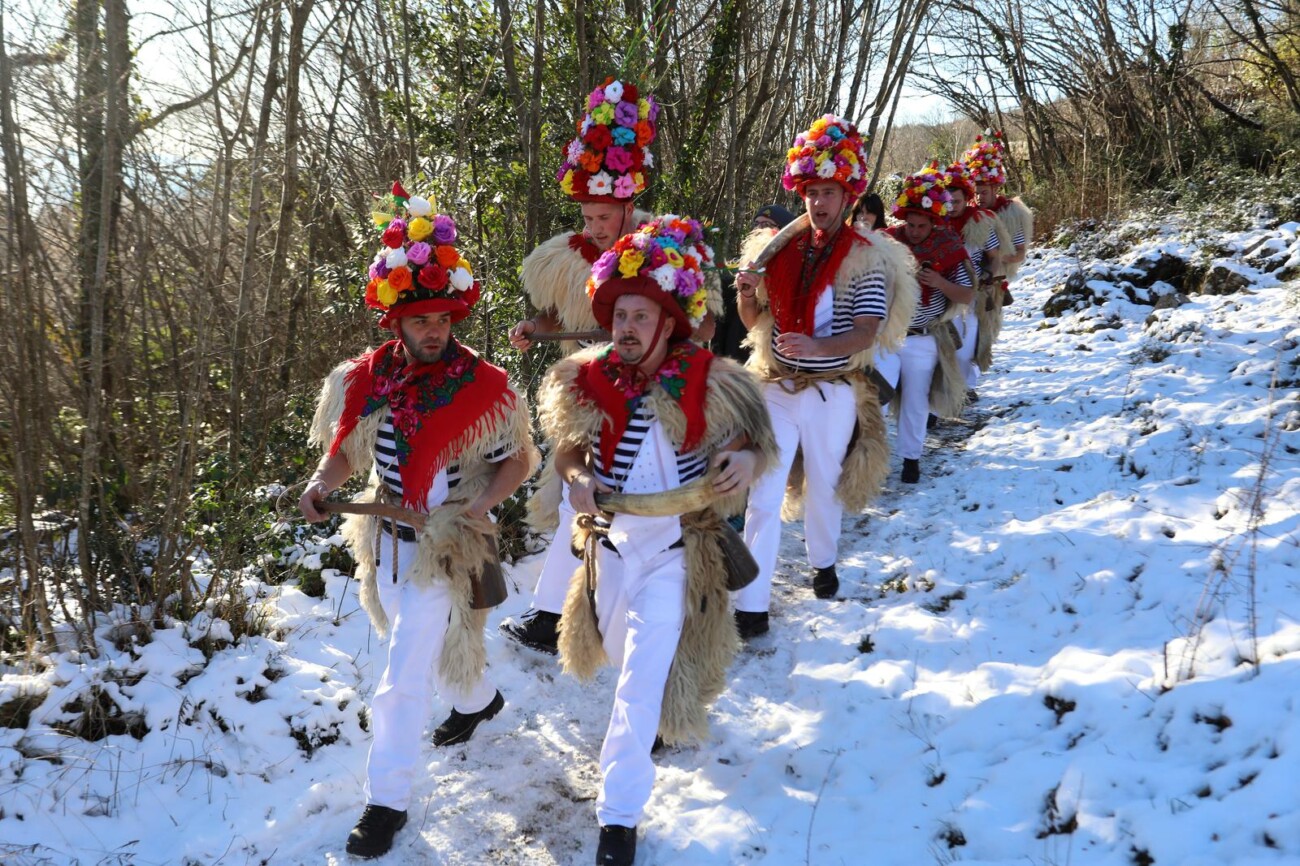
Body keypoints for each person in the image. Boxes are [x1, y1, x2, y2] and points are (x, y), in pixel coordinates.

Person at [300, 183, 538, 859]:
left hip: (443, 550)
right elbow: (344, 454)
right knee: (429, 655)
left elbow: (519, 458)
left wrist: (476, 509)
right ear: (396, 321)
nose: (435, 331)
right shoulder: (365, 379)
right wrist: (321, 485)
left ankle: (385, 802)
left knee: (402, 674)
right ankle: (479, 702)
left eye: (443, 319)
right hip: (387, 546)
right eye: (421, 321)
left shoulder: (482, 387)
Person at [537, 216, 777, 866]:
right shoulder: (587, 378)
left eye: (643, 315)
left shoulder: (714, 379)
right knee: (618, 658)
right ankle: (655, 697)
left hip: (676, 556)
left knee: (638, 686)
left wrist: (748, 462)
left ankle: (619, 820)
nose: (627, 327)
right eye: (621, 314)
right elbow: (566, 452)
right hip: (609, 550)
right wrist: (580, 477)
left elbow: (757, 440)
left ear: (670, 321)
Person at [733, 115, 917, 636]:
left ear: (848, 195)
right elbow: (755, 324)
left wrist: (817, 345)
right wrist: (748, 296)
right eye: (811, 191)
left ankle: (824, 560)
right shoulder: (780, 250)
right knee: (764, 494)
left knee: (823, 485)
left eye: (829, 192)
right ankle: (751, 605)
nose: (818, 202)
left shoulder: (869, 259)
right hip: (776, 385)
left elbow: (866, 332)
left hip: (834, 390)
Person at [501, 79, 659, 656]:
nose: (595, 227)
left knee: (624, 505)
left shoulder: (658, 250)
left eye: (604, 216)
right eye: (588, 217)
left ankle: (617, 609)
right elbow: (548, 319)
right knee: (578, 496)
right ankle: (554, 615)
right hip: (584, 391)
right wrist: (531, 330)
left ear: (626, 205)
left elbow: (696, 321)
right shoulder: (563, 258)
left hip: (646, 398)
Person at [884, 166, 976, 484]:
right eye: (910, 224)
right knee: (874, 395)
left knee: (916, 399)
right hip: (885, 336)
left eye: (922, 226)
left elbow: (967, 293)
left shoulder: (948, 247)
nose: (915, 231)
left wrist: (938, 281)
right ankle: (868, 458)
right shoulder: (888, 242)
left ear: (934, 221)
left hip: (922, 338)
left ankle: (911, 458)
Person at [939, 161, 1009, 390]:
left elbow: (995, 256)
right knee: (942, 348)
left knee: (966, 349)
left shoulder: (978, 222)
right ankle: (945, 394)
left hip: (972, 295)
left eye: (957, 201)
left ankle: (965, 389)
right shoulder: (936, 224)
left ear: (966, 199)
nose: (952, 207)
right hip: (941, 295)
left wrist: (987, 275)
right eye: (948, 202)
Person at [714, 203, 796, 364]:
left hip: (774, 363)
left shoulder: (794, 276)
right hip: (734, 363)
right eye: (756, 224)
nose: (758, 230)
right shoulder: (732, 275)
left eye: (766, 225)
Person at [963, 130, 1034, 282]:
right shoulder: (968, 212)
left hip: (996, 278)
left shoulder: (1010, 213)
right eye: (975, 193)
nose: (978, 197)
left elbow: (1020, 252)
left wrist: (995, 257)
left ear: (994, 189)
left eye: (983, 192)